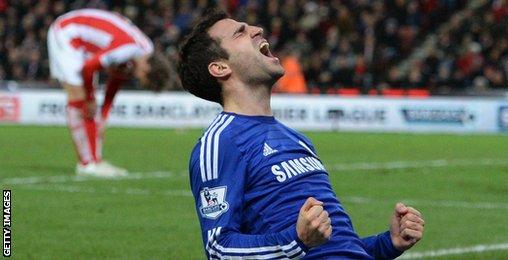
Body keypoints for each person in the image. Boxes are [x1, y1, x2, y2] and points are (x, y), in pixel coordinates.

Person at [178, 9, 424, 259]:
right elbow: (219, 249)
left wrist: (388, 243)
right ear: (220, 67)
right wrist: (296, 241)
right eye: (240, 32)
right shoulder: (221, 143)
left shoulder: (296, 139)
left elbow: (334, 245)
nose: (257, 30)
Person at [47, 9, 176, 177]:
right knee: (80, 99)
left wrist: (104, 116)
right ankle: (87, 164)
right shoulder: (127, 50)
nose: (137, 79)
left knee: (88, 104)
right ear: (147, 68)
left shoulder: (144, 50)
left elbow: (116, 79)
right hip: (68, 33)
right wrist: (91, 98)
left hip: (83, 40)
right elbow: (89, 68)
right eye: (143, 79)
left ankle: (95, 161)